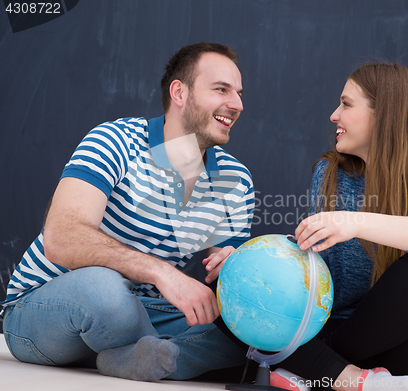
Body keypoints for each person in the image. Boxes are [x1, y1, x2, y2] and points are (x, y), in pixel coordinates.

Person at [0, 42, 255, 381]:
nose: (236, 104)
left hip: (144, 312)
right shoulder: (115, 141)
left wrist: (233, 268)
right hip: (47, 308)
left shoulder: (234, 180)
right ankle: (157, 355)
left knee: (245, 330)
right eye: (221, 89)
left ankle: (136, 359)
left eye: (238, 93)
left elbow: (230, 280)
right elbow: (61, 238)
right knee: (106, 292)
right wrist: (162, 273)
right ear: (179, 92)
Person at [217, 62, 408, 391]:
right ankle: (344, 378)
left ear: (385, 116)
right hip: (335, 343)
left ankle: (316, 375)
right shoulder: (330, 173)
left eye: (347, 104)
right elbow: (316, 276)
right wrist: (247, 266)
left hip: (403, 360)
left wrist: (356, 222)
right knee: (224, 282)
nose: (334, 115)